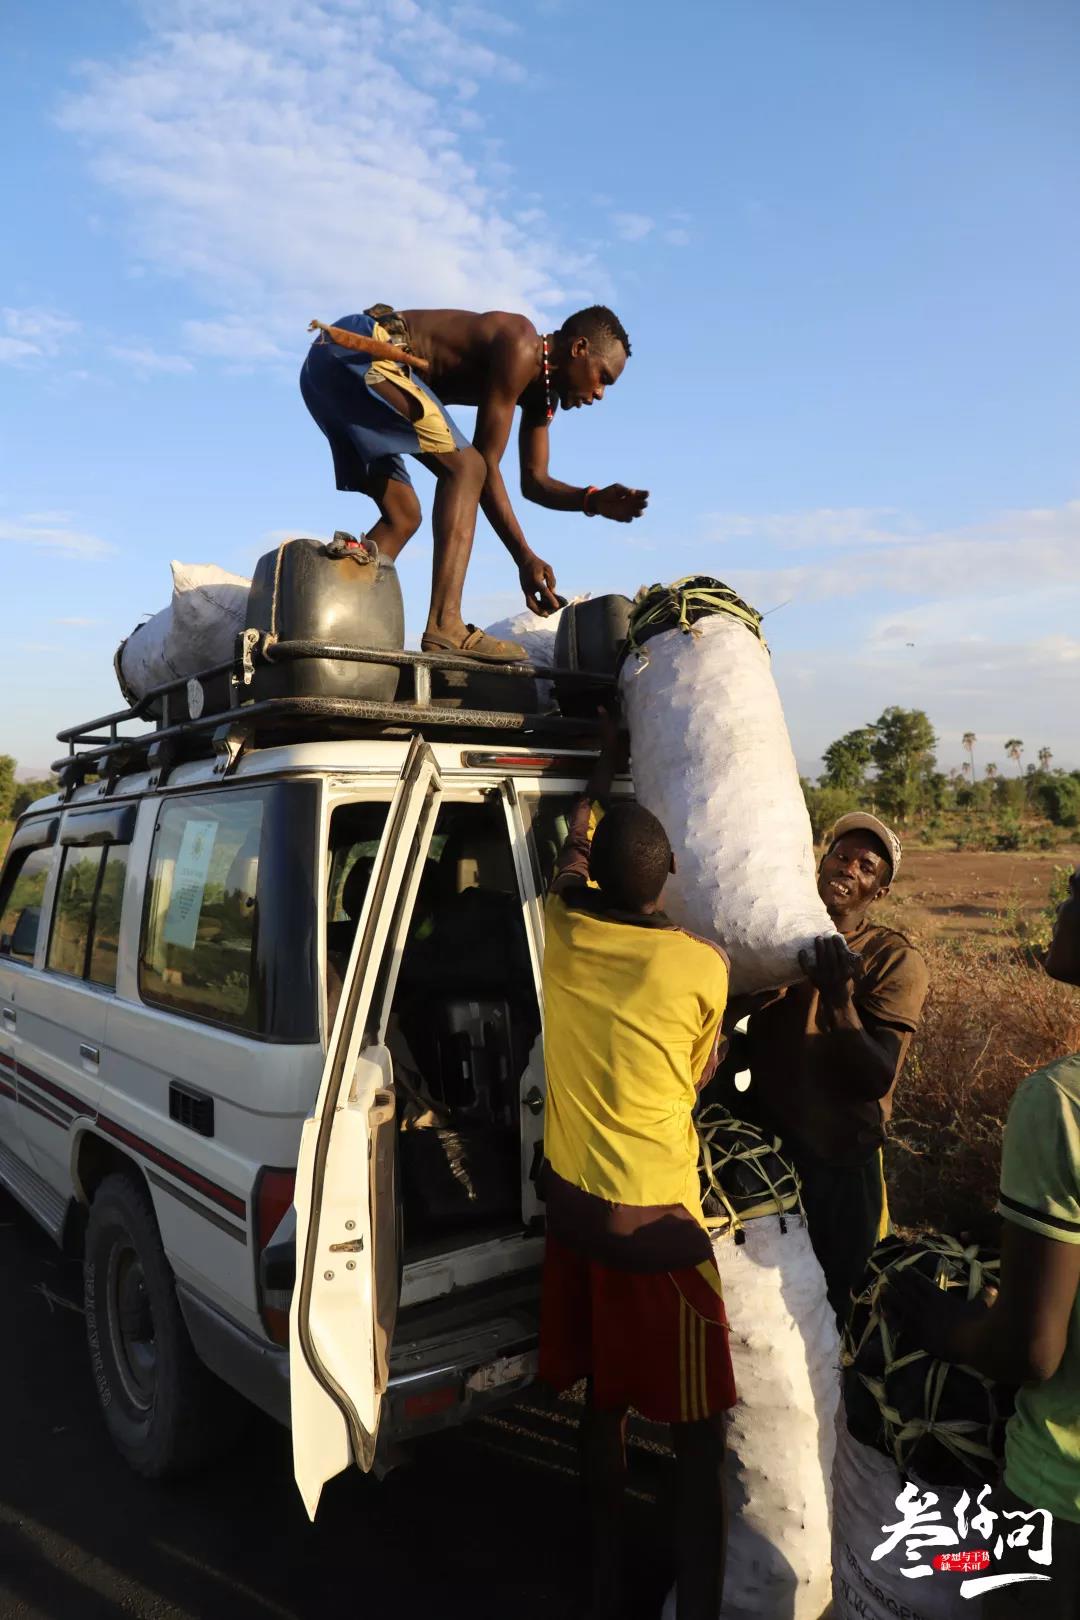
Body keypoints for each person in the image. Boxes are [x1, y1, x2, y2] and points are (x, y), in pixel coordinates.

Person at [538, 711, 734, 1620]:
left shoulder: (560, 929)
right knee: (698, 1439)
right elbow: (698, 1076)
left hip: (569, 1215)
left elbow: (570, 862)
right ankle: (696, 1600)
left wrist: (597, 780)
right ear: (673, 881)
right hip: (654, 1233)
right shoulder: (702, 968)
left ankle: (600, 1577)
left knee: (605, 1402)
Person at [889, 865, 1080, 1616]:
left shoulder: (1059, 1102)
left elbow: (1031, 1354)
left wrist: (940, 1325)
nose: (1061, 905)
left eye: (1078, 893)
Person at [300, 303, 648, 660]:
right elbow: (484, 466)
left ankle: (331, 621)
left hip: (326, 368)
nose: (601, 393)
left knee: (402, 516)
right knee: (466, 468)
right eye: (603, 377)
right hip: (360, 350)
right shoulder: (521, 343)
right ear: (579, 349)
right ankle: (445, 623)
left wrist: (591, 500)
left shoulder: (542, 395)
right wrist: (524, 557)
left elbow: (535, 481)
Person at [727, 812, 928, 1326]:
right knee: (764, 1307)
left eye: (866, 866)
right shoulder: (776, 941)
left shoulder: (890, 959)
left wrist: (837, 998)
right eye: (842, 855)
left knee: (839, 1308)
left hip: (838, 1165)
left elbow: (876, 1076)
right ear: (821, 861)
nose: (848, 868)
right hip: (768, 1158)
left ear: (878, 891)